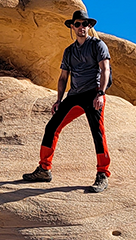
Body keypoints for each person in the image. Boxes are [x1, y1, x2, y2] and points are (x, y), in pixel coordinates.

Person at [23, 10, 111, 192]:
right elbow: (63, 77)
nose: (81, 27)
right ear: (72, 26)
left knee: (97, 132)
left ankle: (102, 174)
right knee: (52, 127)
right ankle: (44, 169)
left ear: (89, 26)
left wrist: (101, 93)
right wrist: (58, 100)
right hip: (74, 96)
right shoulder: (69, 51)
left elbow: (105, 69)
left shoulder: (97, 45)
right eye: (77, 24)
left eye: (84, 24)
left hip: (93, 93)